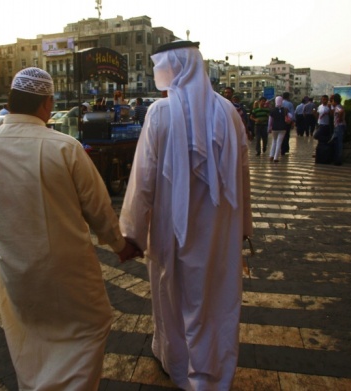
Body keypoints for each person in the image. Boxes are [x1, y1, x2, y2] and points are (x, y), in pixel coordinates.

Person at [0, 67, 141, 391]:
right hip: (67, 269)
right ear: (46, 103)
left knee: (29, 333)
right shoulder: (64, 147)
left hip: (14, 269)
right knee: (90, 326)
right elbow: (98, 208)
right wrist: (120, 246)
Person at [119, 41, 252, 390]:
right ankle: (212, 370)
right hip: (220, 230)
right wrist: (244, 227)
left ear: (174, 66)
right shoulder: (229, 112)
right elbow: (243, 176)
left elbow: (143, 180)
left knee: (173, 296)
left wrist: (132, 233)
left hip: (171, 231)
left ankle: (178, 364)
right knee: (216, 299)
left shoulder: (160, 114)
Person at [268, 96, 288, 163]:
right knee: (279, 142)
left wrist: (269, 128)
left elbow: (270, 121)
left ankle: (271, 155)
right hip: (283, 128)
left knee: (274, 141)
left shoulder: (272, 110)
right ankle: (276, 157)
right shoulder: (285, 110)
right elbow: (288, 117)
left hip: (274, 128)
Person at [330, 93, 346, 165]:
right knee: (337, 142)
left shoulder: (337, 107)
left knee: (338, 144)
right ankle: (337, 159)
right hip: (340, 126)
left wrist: (339, 119)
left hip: (339, 126)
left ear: (335, 101)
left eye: (332, 101)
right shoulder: (339, 106)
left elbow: (341, 112)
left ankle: (338, 160)